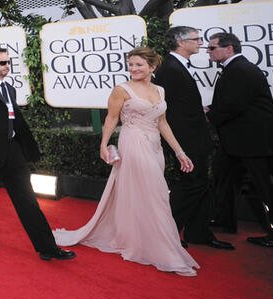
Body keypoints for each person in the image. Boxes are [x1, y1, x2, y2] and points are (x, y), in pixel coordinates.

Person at [54, 47, 198, 275]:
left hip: (154, 146)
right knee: (157, 194)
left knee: (147, 194)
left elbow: (162, 123)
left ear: (152, 66)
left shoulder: (160, 90)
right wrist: (103, 144)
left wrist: (180, 152)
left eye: (139, 64)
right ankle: (166, 252)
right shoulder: (122, 90)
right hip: (132, 143)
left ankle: (142, 240)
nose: (133, 69)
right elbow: (111, 119)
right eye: (131, 64)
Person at [0, 47, 75, 262]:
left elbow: (13, 119)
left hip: (14, 152)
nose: (7, 66)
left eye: (8, 62)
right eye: (2, 63)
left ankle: (47, 247)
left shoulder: (10, 89)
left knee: (28, 200)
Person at [207, 32, 273, 250]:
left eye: (212, 48)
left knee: (268, 187)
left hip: (254, 143)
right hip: (237, 141)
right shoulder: (237, 69)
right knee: (221, 176)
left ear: (229, 49)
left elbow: (234, 105)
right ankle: (223, 219)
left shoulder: (240, 70)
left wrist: (208, 116)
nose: (209, 52)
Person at [153, 27, 233, 250]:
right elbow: (166, 112)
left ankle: (198, 232)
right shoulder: (170, 68)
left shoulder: (176, 66)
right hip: (186, 141)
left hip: (195, 138)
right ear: (180, 42)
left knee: (201, 185)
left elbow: (182, 104)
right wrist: (180, 148)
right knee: (192, 185)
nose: (201, 43)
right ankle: (165, 235)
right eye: (196, 39)